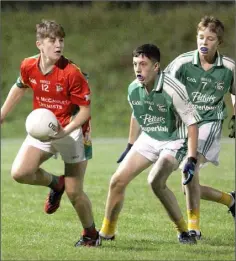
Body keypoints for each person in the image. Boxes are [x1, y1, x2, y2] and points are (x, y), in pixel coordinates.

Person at [118, 16, 235, 240]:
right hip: (184, 125)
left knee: (188, 173)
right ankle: (230, 200)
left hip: (209, 123)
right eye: (201, 36)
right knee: (187, 183)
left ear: (218, 42)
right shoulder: (182, 62)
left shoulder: (229, 67)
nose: (204, 41)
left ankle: (194, 229)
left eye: (210, 38)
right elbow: (162, 83)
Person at [1, 20, 101, 247]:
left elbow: (85, 112)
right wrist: (2, 114)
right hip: (44, 127)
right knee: (20, 172)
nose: (59, 45)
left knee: (75, 193)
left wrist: (65, 131)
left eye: (61, 40)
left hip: (73, 131)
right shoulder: (28, 65)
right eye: (52, 40)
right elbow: (19, 86)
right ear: (39, 44)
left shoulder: (72, 73)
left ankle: (90, 235)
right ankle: (56, 184)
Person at [99, 43, 202, 245]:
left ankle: (183, 231)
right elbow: (137, 113)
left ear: (156, 67)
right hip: (150, 137)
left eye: (143, 64)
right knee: (117, 180)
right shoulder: (133, 89)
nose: (138, 68)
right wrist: (130, 145)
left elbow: (192, 123)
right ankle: (106, 232)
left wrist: (191, 158)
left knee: (155, 181)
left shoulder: (173, 89)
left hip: (175, 139)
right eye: (135, 64)